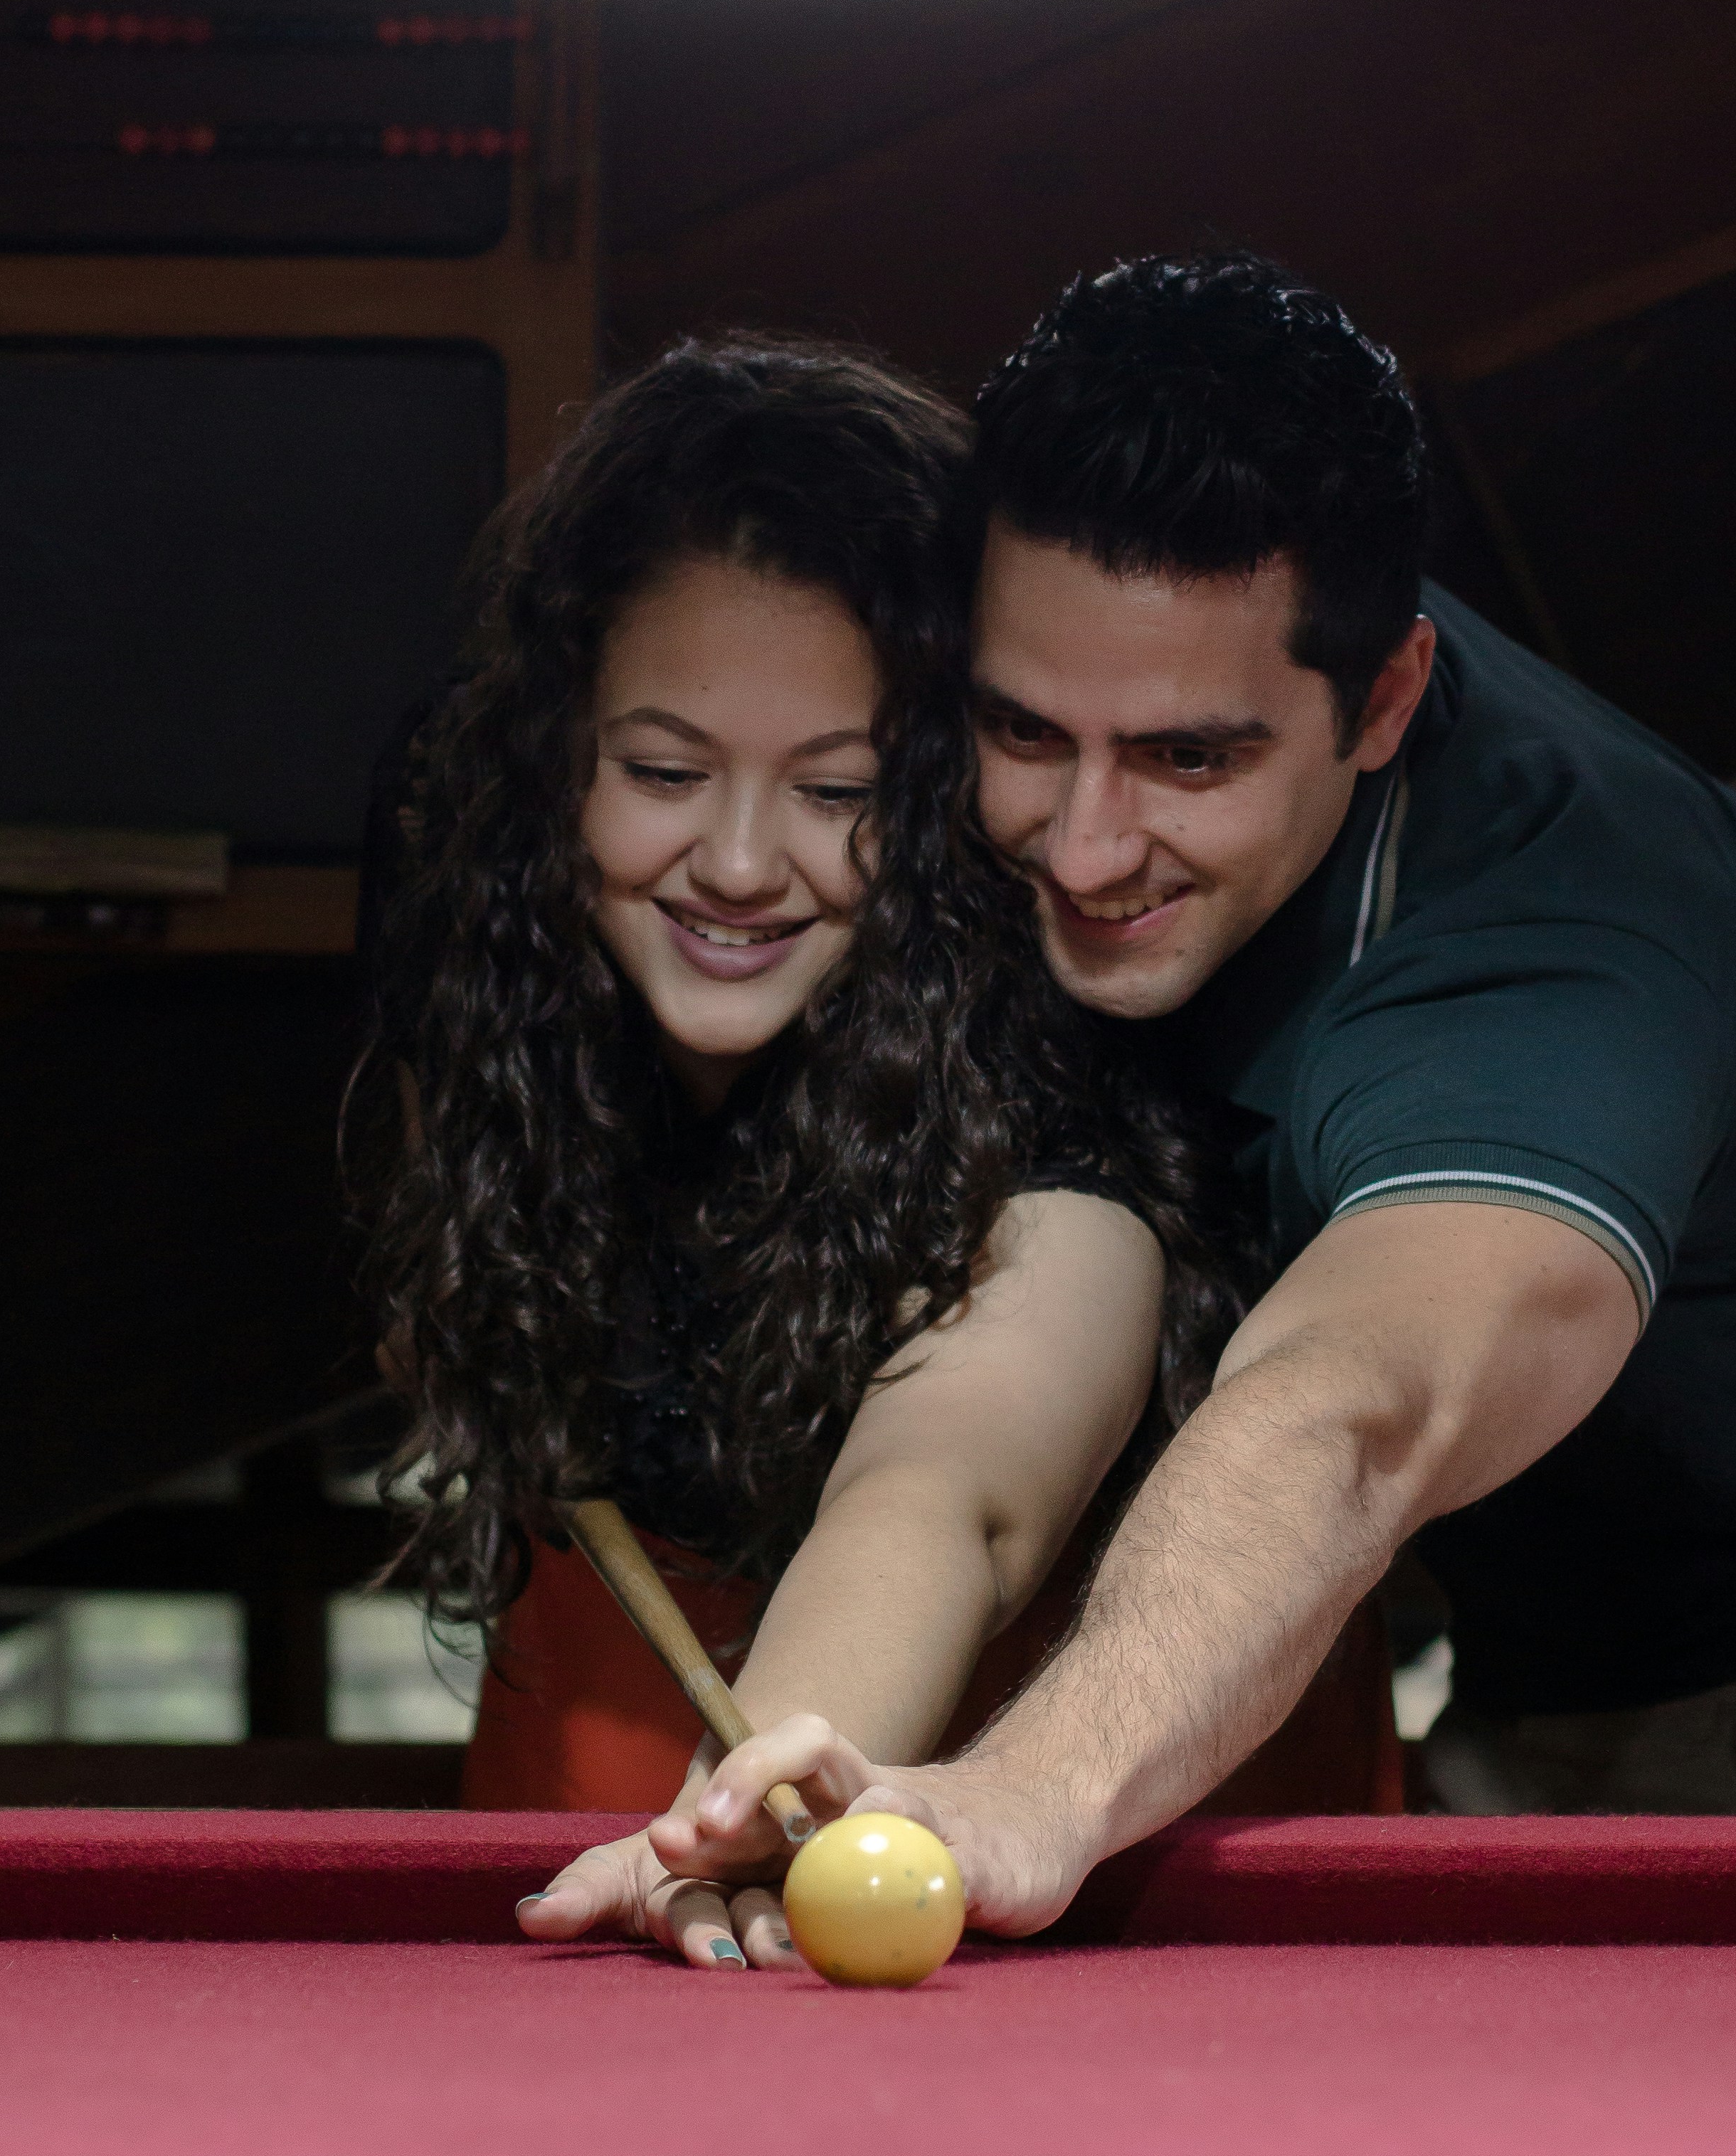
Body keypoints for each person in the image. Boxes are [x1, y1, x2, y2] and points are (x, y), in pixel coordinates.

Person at [632, 256, 1736, 1940]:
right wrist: (781, 1783)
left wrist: (1033, 1789)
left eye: (1189, 760)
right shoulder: (1054, 782)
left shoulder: (1573, 932)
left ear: (1385, 699)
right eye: (1024, 729)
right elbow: (983, 1416)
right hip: (1547, 1675)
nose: (1080, 846)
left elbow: (1359, 1405)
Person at [356, 333, 1394, 1972]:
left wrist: (750, 1795)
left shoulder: (1056, 1136)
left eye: (837, 791)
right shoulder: (508, 1007)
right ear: (559, 770)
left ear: (929, 807)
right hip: (638, 1784)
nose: (742, 863)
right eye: (665, 771)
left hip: (1097, 1910)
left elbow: (943, 1501)